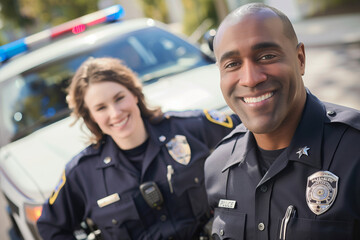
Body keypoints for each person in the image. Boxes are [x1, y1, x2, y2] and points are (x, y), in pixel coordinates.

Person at [37, 57, 240, 240]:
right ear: (90, 116)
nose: (115, 113)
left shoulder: (188, 128)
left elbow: (252, 133)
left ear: (134, 93)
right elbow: (51, 228)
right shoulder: (81, 174)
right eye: (101, 108)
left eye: (119, 98)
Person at [204, 3, 360, 240]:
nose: (250, 79)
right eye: (232, 64)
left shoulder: (354, 152)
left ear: (300, 59)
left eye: (267, 56)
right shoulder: (218, 168)